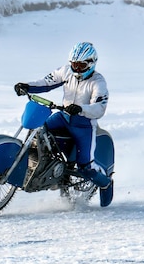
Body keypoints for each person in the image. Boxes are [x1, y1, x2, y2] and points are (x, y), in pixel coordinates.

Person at [14, 41, 113, 207]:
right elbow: (46, 83)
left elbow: (99, 108)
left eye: (81, 66)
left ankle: (105, 183)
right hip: (63, 117)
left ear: (91, 64)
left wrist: (81, 108)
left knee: (85, 168)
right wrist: (27, 86)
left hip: (84, 125)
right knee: (39, 132)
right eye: (74, 65)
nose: (77, 69)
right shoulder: (66, 72)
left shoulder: (98, 82)